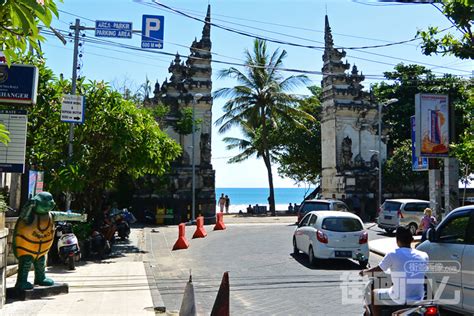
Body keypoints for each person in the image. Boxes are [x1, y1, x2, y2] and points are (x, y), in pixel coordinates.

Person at [359, 226, 429, 316]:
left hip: (399, 298)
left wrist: (364, 272)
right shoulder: (424, 255)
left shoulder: (393, 254)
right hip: (419, 297)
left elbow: (378, 269)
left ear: (397, 240)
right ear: (411, 239)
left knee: (373, 294)